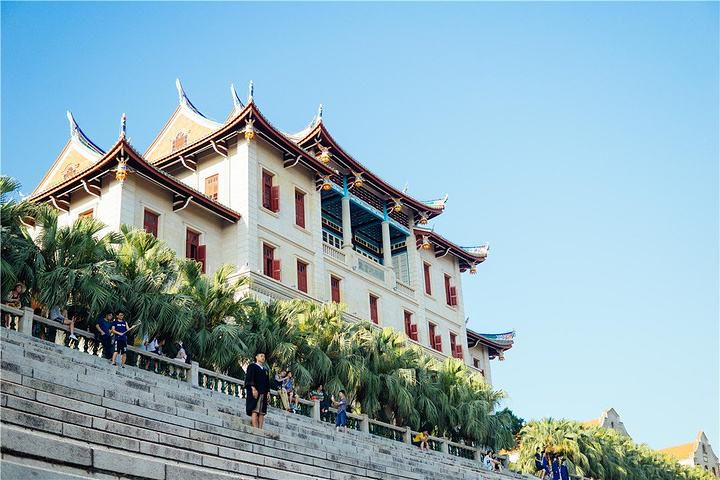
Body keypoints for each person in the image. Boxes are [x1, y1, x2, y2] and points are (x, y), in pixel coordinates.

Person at [244, 351, 270, 429]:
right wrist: (253, 389)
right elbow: (249, 378)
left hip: (263, 392)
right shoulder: (252, 366)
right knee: (255, 410)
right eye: (261, 356)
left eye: (264, 356)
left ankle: (260, 429)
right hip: (255, 391)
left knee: (262, 412)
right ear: (256, 357)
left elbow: (267, 383)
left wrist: (268, 392)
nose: (263, 358)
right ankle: (255, 429)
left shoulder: (265, 370)